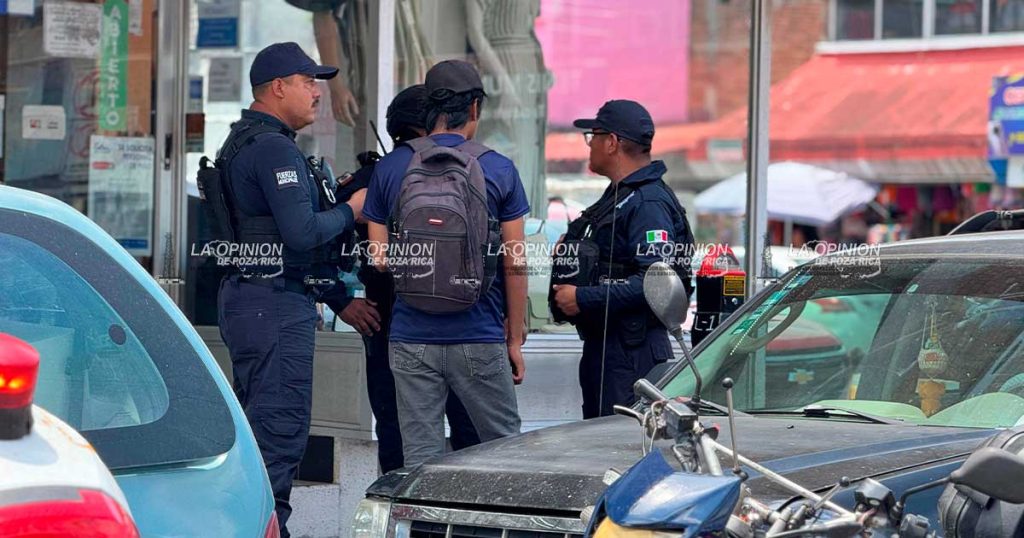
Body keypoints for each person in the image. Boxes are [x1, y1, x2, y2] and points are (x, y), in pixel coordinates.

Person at [215, 42, 365, 538]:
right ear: (278, 88)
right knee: (278, 436)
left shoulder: (243, 140)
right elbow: (301, 233)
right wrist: (351, 211)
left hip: (252, 297)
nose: (317, 92)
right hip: (274, 304)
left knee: (262, 434)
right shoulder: (273, 147)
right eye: (308, 82)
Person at [364, 60, 528, 467]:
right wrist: (514, 338)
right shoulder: (499, 168)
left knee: (420, 461)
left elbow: (379, 260)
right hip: (480, 333)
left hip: (410, 337)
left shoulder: (391, 168)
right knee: (506, 456)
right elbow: (515, 262)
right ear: (474, 108)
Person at [334, 84, 480, 473]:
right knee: (472, 440)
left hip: (390, 324)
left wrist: (340, 300)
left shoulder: (372, 176)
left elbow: (319, 240)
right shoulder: (468, 168)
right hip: (462, 322)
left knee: (399, 438)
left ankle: (399, 508)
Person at [551, 100, 695, 419]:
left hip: (632, 353)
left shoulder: (648, 203)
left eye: (594, 136)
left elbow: (655, 282)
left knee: (620, 443)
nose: (590, 145)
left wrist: (582, 298)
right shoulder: (621, 195)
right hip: (610, 348)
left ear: (612, 142)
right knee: (600, 441)